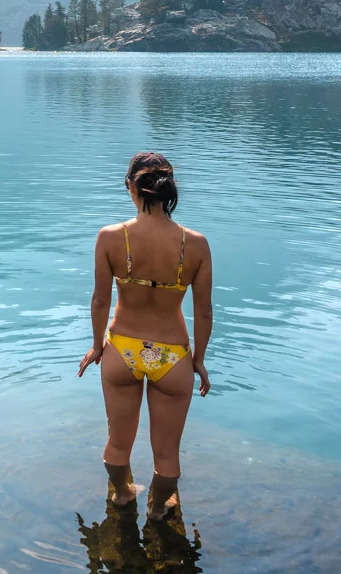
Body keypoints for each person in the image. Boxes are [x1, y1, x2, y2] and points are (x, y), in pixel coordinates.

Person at [77, 152, 213, 519]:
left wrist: (95, 346)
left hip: (122, 348)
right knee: (167, 452)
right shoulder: (195, 244)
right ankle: (159, 507)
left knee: (118, 442)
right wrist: (198, 361)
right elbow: (203, 311)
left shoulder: (110, 237)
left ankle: (122, 495)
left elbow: (100, 299)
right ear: (169, 189)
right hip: (172, 356)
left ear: (130, 187)